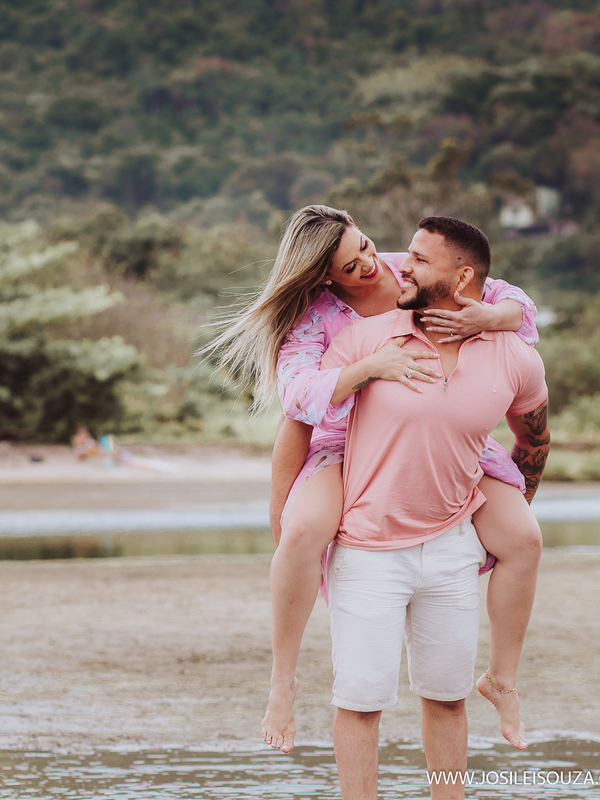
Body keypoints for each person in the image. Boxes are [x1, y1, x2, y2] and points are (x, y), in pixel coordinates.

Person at [203, 205, 542, 754]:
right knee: (301, 532)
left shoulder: (409, 267)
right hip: (346, 440)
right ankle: (282, 682)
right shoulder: (318, 318)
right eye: (348, 264)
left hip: (444, 433)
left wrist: (489, 316)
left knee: (524, 537)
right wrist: (370, 368)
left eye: (363, 245)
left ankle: (502, 677)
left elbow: (515, 301)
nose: (368, 265)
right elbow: (296, 398)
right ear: (322, 277)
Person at [322, 216, 549, 800]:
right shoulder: (363, 340)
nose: (402, 266)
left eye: (420, 259)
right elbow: (306, 420)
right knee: (361, 703)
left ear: (464, 277)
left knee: (448, 700)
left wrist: (515, 505)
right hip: (367, 549)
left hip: (452, 549)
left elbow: (535, 438)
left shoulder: (514, 357)